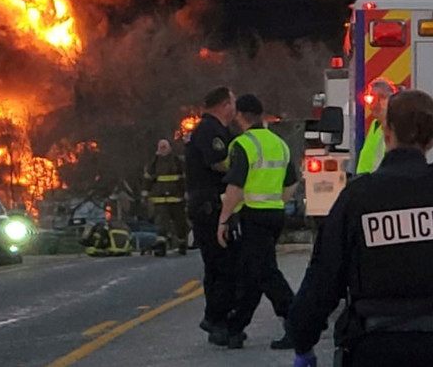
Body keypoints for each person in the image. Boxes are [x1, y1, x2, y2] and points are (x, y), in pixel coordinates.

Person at [286, 90, 433, 367]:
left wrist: (302, 341)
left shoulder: (356, 199)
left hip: (376, 345)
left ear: (387, 132)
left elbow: (324, 278)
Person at [216, 94, 298, 349]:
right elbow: (292, 181)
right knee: (255, 271)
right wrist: (278, 202)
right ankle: (235, 328)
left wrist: (223, 220)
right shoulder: (280, 144)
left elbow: (236, 186)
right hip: (274, 214)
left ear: (240, 116)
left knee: (265, 273)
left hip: (252, 215)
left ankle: (298, 320)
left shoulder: (243, 144)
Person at [184, 86, 237, 341]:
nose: (234, 108)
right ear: (225, 104)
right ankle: (216, 318)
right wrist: (244, 166)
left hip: (213, 204)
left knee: (222, 266)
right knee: (220, 264)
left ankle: (218, 319)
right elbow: (218, 162)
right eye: (232, 102)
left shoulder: (217, 130)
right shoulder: (209, 130)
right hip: (209, 206)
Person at [142, 139, 188, 255]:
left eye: (165, 147)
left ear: (169, 148)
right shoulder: (154, 162)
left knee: (180, 222)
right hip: (160, 199)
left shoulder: (177, 161)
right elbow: (148, 179)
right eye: (161, 147)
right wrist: (145, 193)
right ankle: (161, 247)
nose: (163, 149)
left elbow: (184, 177)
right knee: (162, 223)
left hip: (176, 197)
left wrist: (186, 191)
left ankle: (182, 242)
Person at [355, 78, 396, 175]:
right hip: (366, 182)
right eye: (370, 99)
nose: (373, 105)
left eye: (381, 98)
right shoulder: (375, 125)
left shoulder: (394, 127)